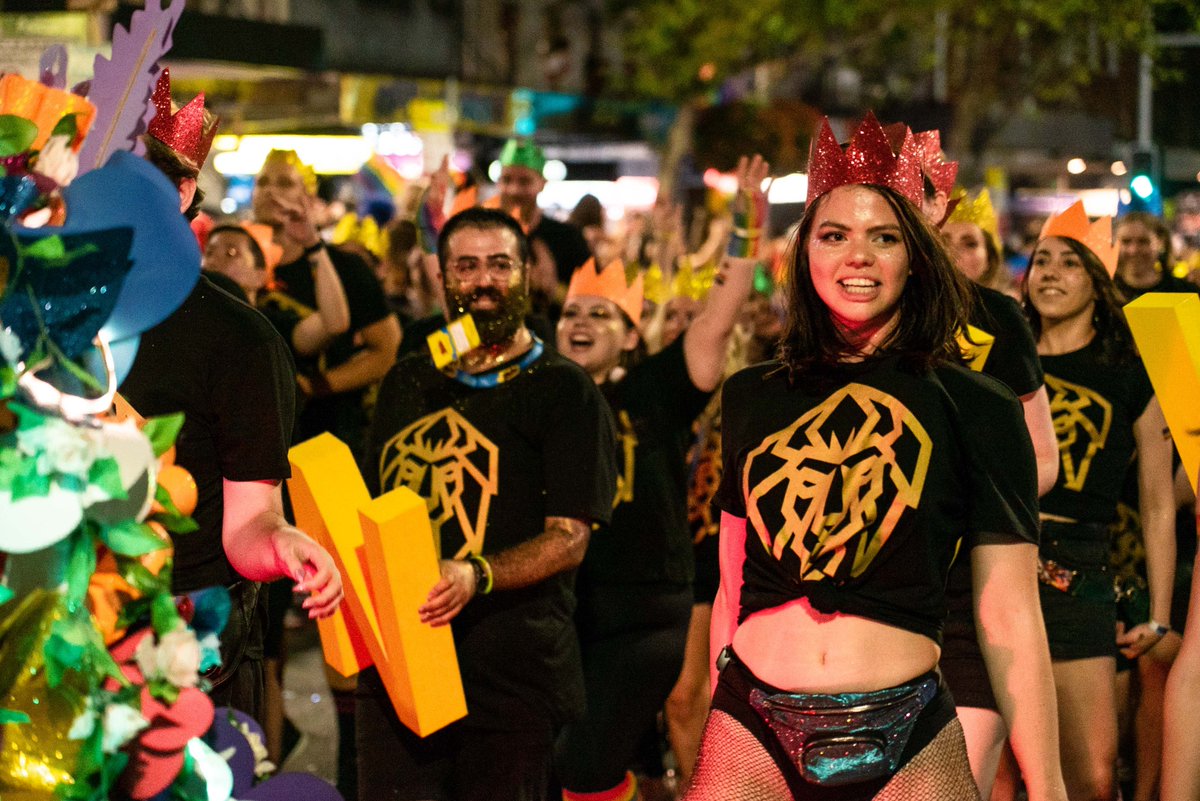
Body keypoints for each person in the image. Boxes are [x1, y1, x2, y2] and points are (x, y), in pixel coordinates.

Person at [685, 115, 1067, 801]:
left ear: (915, 256)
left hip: (908, 729)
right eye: (834, 235)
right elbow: (731, 586)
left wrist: (1049, 785)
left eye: (883, 237)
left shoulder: (978, 404)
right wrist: (723, 707)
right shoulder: (751, 394)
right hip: (751, 727)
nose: (857, 256)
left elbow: (1011, 617)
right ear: (805, 253)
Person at [359, 207, 618, 801]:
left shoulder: (564, 390)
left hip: (510, 681)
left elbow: (570, 538)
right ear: (442, 278)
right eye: (466, 266)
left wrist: (474, 574)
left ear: (527, 275)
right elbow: (373, 508)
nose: (483, 281)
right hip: (402, 667)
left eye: (500, 265)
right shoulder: (408, 380)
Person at [124, 72, 342, 722]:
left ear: (181, 191)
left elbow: (248, 521)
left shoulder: (239, 340)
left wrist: (283, 545)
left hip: (187, 644)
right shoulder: (41, 315)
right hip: (52, 629)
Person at [554, 157, 767, 801]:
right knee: (567, 765)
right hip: (566, 609)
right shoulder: (540, 399)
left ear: (630, 337)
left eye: (601, 315)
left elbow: (716, 320)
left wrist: (744, 234)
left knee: (586, 763)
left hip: (644, 613)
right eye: (572, 313)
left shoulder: (655, 390)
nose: (581, 323)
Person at [1022, 200, 1175, 801]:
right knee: (999, 771)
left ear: (1097, 281)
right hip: (996, 559)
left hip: (1079, 567)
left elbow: (1158, 503)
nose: (1050, 274)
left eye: (1070, 263)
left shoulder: (1130, 373)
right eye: (1042, 260)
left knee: (1092, 775)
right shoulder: (1001, 363)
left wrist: (1158, 613)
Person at [940, 187, 1059, 799]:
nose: (952, 252)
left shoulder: (999, 320)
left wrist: (970, 502)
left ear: (988, 254)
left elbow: (1043, 460)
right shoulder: (850, 337)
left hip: (975, 586)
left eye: (968, 241)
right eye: (941, 238)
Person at [251, 148, 400, 455]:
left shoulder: (346, 268)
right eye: (262, 182)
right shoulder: (237, 268)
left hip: (329, 435)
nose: (270, 191)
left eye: (284, 183)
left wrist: (317, 386)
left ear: (308, 198)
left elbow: (386, 350)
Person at [495, 138, 591, 286]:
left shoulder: (568, 238)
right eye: (507, 180)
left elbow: (591, 292)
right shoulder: (483, 236)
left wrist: (552, 289)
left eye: (525, 181)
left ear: (542, 184)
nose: (514, 190)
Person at [1113, 211, 1197, 302]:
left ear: (1161, 242)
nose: (1133, 250)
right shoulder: (1106, 293)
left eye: (1143, 241)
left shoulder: (1185, 293)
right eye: (1126, 241)